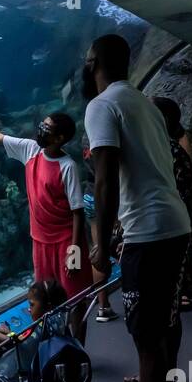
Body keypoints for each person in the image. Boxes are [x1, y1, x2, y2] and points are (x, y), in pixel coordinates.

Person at [83, 34, 192, 382]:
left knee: (146, 335)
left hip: (150, 233)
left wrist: (100, 240)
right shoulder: (144, 102)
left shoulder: (101, 106)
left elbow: (105, 176)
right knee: (164, 325)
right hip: (172, 224)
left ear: (93, 63)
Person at [0, 111, 93, 339]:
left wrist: (74, 251)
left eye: (47, 128)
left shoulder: (67, 166)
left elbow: (77, 212)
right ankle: (52, 347)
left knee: (73, 298)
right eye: (42, 125)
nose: (41, 130)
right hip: (40, 240)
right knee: (43, 297)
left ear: (60, 137)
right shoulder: (31, 149)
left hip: (65, 241)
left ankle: (78, 348)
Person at [150, 95, 192, 311]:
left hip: (175, 206)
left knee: (178, 250)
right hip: (168, 207)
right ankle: (175, 291)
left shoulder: (174, 146)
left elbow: (186, 180)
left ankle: (181, 292)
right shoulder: (157, 143)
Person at [82, 138, 119, 324]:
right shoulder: (108, 135)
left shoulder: (86, 134)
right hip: (109, 195)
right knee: (126, 247)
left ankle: (103, 307)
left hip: (89, 193)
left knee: (98, 250)